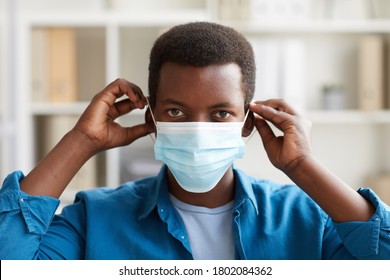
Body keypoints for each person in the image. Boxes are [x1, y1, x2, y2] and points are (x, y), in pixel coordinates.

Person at [1, 22, 389, 260]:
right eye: (176, 112)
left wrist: (302, 165)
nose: (199, 128)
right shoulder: (95, 218)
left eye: (221, 113)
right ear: (151, 117)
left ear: (248, 122)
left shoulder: (306, 220)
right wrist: (81, 140)